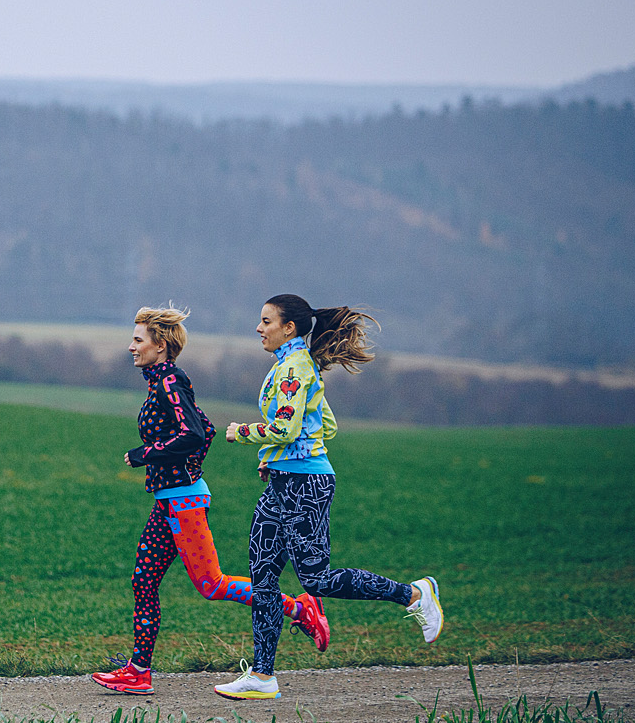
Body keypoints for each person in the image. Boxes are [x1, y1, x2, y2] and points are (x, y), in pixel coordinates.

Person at [215, 293, 444, 701]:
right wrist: (279, 460)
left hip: (305, 488)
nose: (258, 327)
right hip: (284, 483)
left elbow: (285, 429)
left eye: (266, 321)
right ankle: (263, 677)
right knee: (263, 577)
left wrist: (242, 432)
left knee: (317, 578)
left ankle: (413, 594)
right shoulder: (298, 366)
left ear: (289, 328)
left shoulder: (293, 368)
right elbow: (326, 426)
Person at [92, 306, 327, 697]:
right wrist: (182, 469)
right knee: (143, 580)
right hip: (169, 500)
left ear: (160, 345)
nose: (130, 347)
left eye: (138, 340)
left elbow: (195, 433)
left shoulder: (169, 382)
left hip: (183, 504)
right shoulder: (159, 382)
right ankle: (138, 671)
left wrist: (146, 455)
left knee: (211, 584)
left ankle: (301, 610)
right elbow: (208, 429)